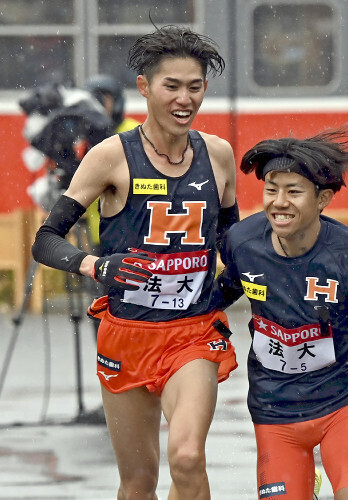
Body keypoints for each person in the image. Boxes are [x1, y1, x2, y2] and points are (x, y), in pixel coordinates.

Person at [32, 24, 239, 500]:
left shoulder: (220, 155)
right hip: (126, 334)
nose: (184, 99)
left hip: (193, 332)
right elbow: (46, 239)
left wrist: (245, 281)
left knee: (187, 458)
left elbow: (234, 242)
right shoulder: (110, 157)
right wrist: (96, 266)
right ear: (144, 87)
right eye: (172, 86)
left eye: (195, 87)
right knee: (139, 482)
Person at [211, 130, 348, 499]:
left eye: (294, 191)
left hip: (344, 407)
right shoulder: (242, 243)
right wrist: (209, 332)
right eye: (271, 189)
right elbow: (219, 296)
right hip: (274, 411)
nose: (279, 203)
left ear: (323, 199)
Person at [84, 74, 140, 254]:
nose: (97, 105)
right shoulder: (85, 138)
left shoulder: (135, 131)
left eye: (102, 98)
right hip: (98, 235)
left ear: (116, 102)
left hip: (133, 233)